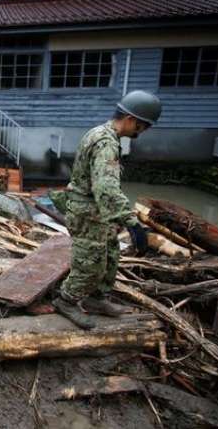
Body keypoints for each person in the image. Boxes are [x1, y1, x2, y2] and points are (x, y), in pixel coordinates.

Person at [52, 90, 162, 329]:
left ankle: (96, 299)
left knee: (110, 255)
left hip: (98, 211)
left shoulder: (102, 134)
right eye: (142, 127)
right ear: (132, 120)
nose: (140, 133)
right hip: (87, 213)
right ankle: (66, 300)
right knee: (90, 261)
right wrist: (132, 222)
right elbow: (106, 188)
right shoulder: (105, 144)